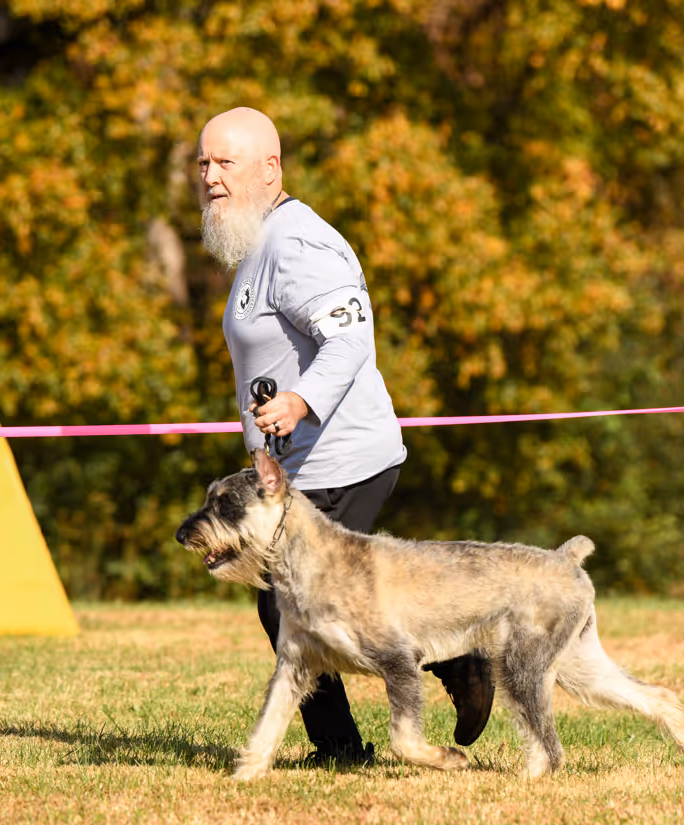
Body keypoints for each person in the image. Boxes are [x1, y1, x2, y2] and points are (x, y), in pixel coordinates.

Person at [198, 106, 494, 764]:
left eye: (226, 163)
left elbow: (350, 337)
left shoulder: (299, 243)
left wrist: (302, 400)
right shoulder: (254, 244)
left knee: (289, 606)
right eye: (204, 164)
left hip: (341, 456)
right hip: (296, 464)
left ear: (270, 168)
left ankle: (360, 736)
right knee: (304, 603)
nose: (210, 177)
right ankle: (454, 664)